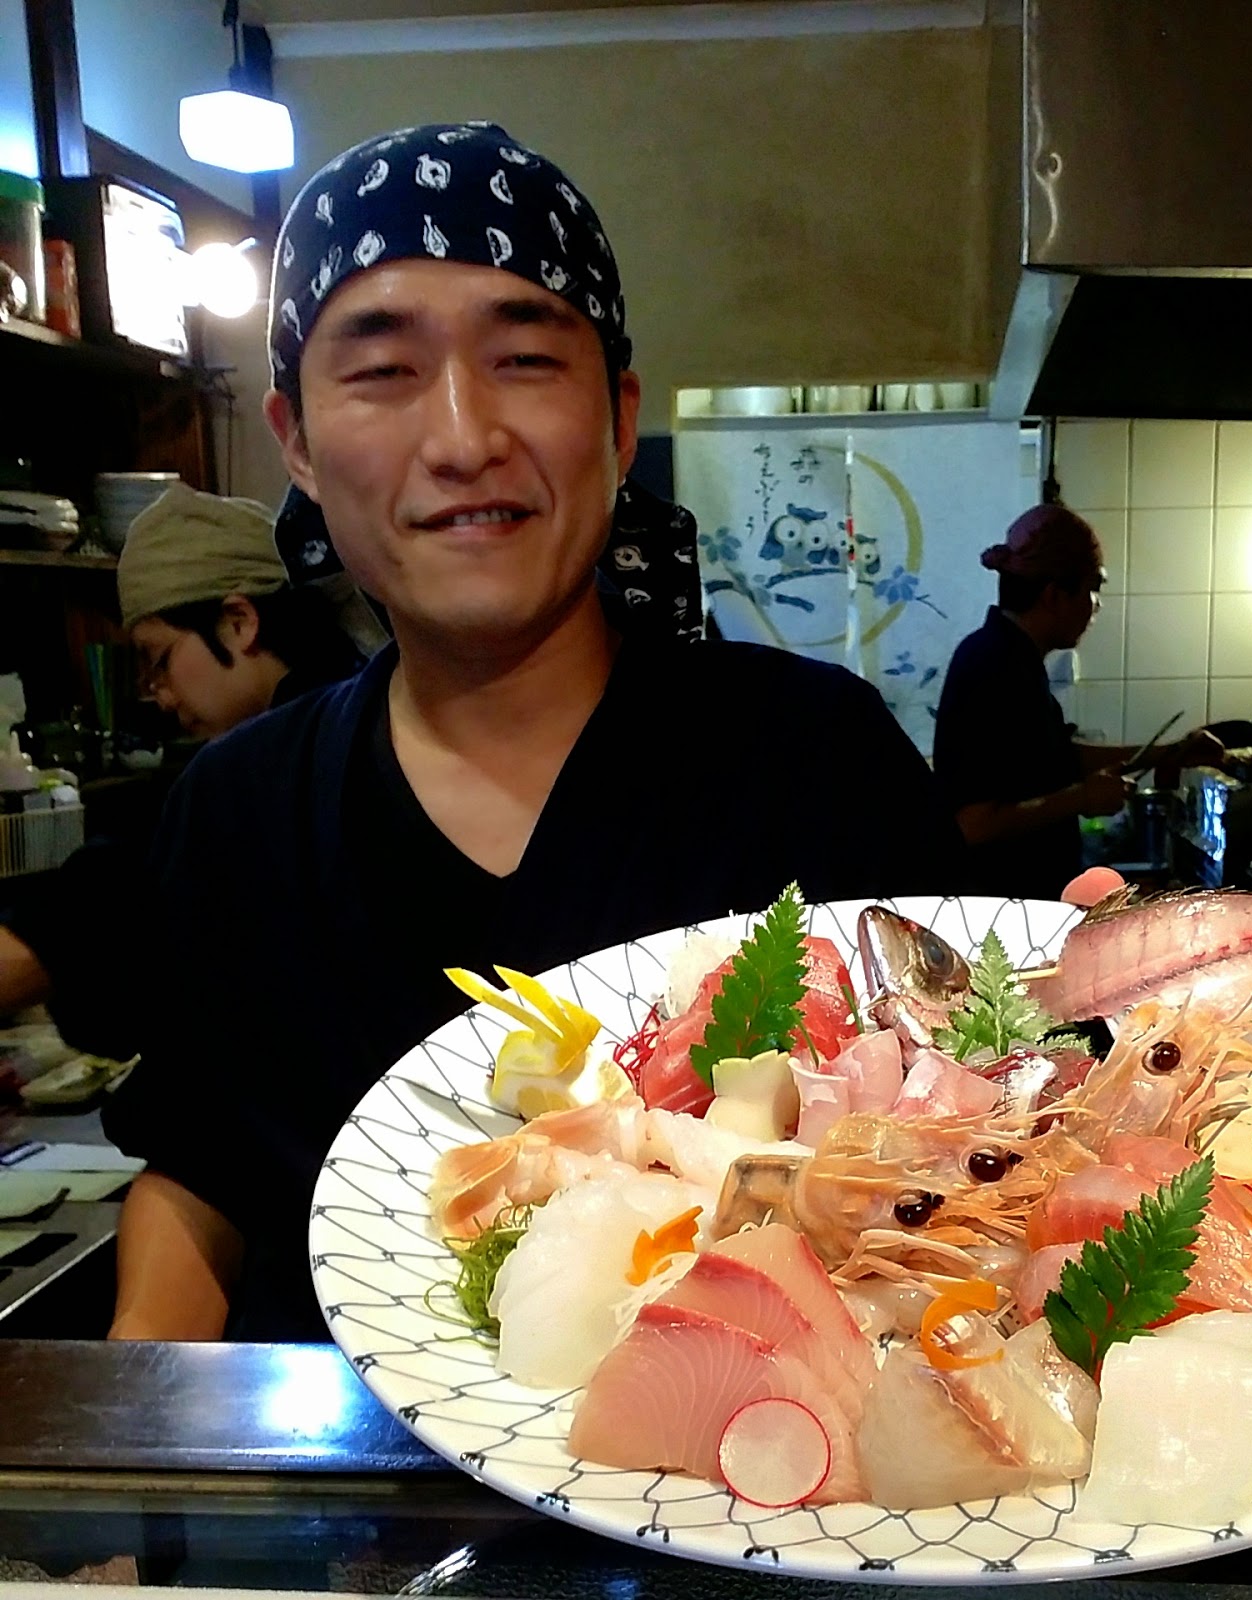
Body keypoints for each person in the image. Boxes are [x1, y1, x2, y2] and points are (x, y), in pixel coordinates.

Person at [101, 123, 965, 1343]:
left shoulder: (818, 757)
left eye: (523, 359)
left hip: (745, 1445)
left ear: (617, 419)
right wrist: (142, 1432)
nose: (463, 438)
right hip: (325, 1457)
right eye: (382, 370)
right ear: (295, 440)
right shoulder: (236, 810)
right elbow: (199, 1174)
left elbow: (965, 1124)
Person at [0, 487, 365, 1042]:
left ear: (238, 621)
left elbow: (106, 896)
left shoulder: (280, 760)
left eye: (159, 659)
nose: (161, 695)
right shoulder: (357, 702)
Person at [933, 504, 1219, 900]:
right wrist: (1082, 798)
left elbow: (1058, 758)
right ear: (1054, 595)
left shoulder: (1012, 658)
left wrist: (1168, 753)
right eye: (1092, 589)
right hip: (1002, 905)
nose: (1095, 605)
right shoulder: (993, 666)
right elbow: (973, 823)